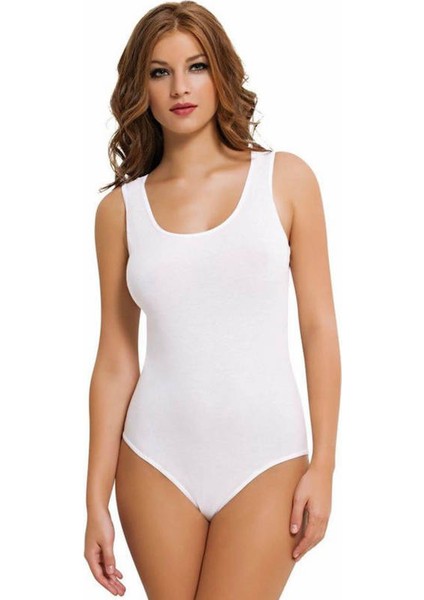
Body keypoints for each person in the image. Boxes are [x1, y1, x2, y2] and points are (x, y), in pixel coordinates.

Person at [84, 1, 341, 598]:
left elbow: (319, 327)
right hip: (153, 458)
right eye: (160, 72)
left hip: (266, 457)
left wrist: (325, 464)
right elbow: (116, 359)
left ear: (221, 72)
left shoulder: (286, 180)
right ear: (140, 88)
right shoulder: (119, 211)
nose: (180, 87)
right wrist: (95, 498)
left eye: (196, 66)